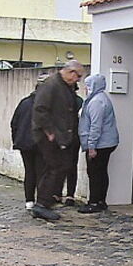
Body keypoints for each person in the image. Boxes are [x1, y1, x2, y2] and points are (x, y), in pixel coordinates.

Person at [30, 60, 85, 221]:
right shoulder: (51, 85)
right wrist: (49, 131)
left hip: (62, 134)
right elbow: (40, 109)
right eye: (78, 76)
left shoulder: (64, 86)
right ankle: (42, 204)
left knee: (61, 167)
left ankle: (48, 200)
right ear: (70, 72)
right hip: (50, 135)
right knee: (54, 168)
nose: (78, 80)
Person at [77, 73, 119, 214]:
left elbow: (96, 126)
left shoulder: (96, 102)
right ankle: (101, 201)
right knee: (101, 172)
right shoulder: (101, 98)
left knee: (94, 173)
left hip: (100, 144)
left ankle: (94, 202)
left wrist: (91, 146)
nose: (86, 89)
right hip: (107, 143)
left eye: (88, 86)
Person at [10, 75, 48, 210]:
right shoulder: (46, 105)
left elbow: (14, 123)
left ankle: (29, 200)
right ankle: (40, 201)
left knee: (30, 171)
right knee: (41, 172)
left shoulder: (24, 102)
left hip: (24, 143)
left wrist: (16, 139)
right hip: (40, 143)